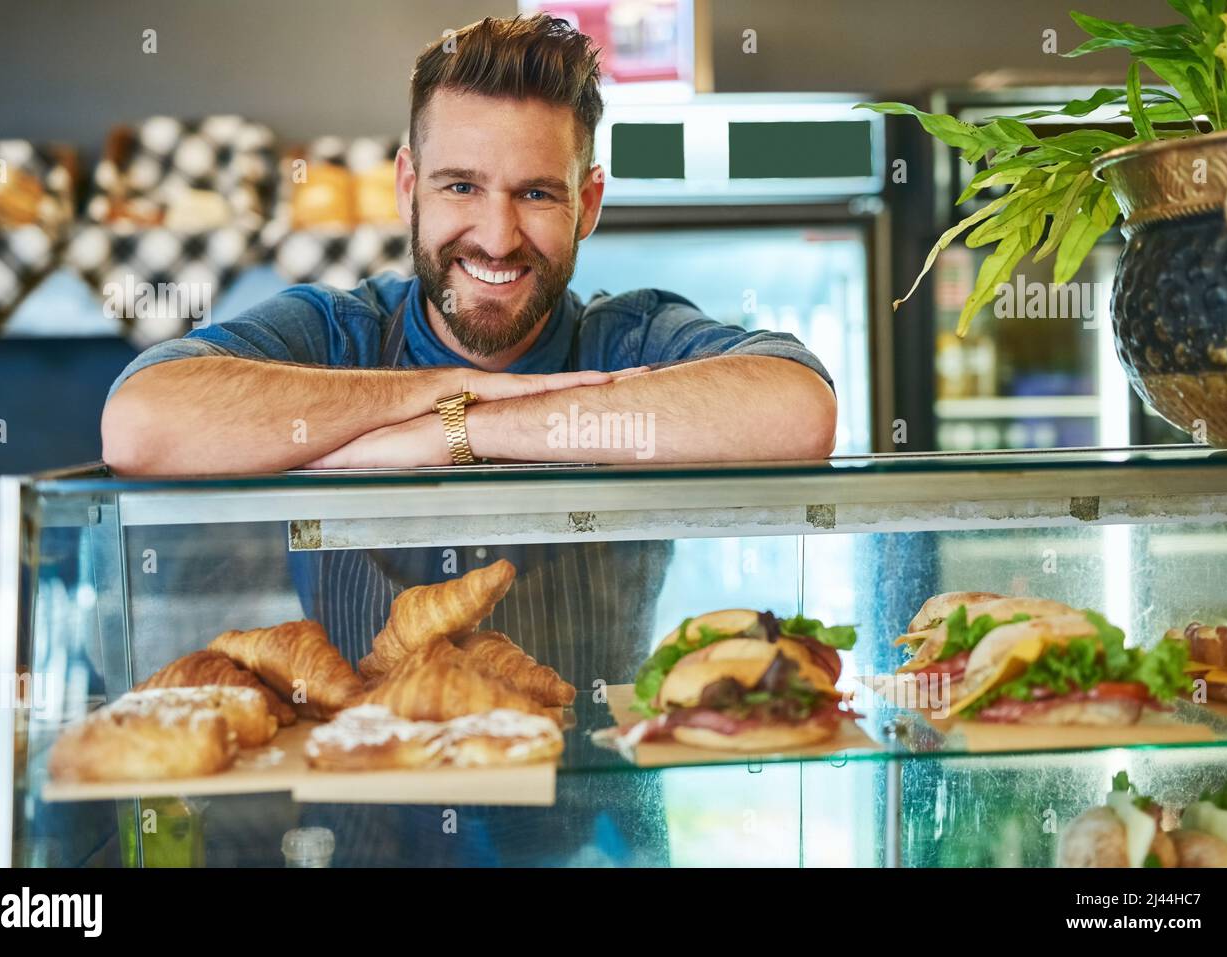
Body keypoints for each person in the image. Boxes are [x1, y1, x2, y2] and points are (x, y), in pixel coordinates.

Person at [101, 14, 838, 866]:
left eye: (536, 193)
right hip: (366, 826)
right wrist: (440, 386)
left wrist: (461, 429)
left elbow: (798, 411)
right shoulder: (334, 334)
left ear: (587, 201)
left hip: (596, 837)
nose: (495, 237)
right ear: (406, 184)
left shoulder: (627, 339)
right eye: (460, 187)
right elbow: (140, 420)